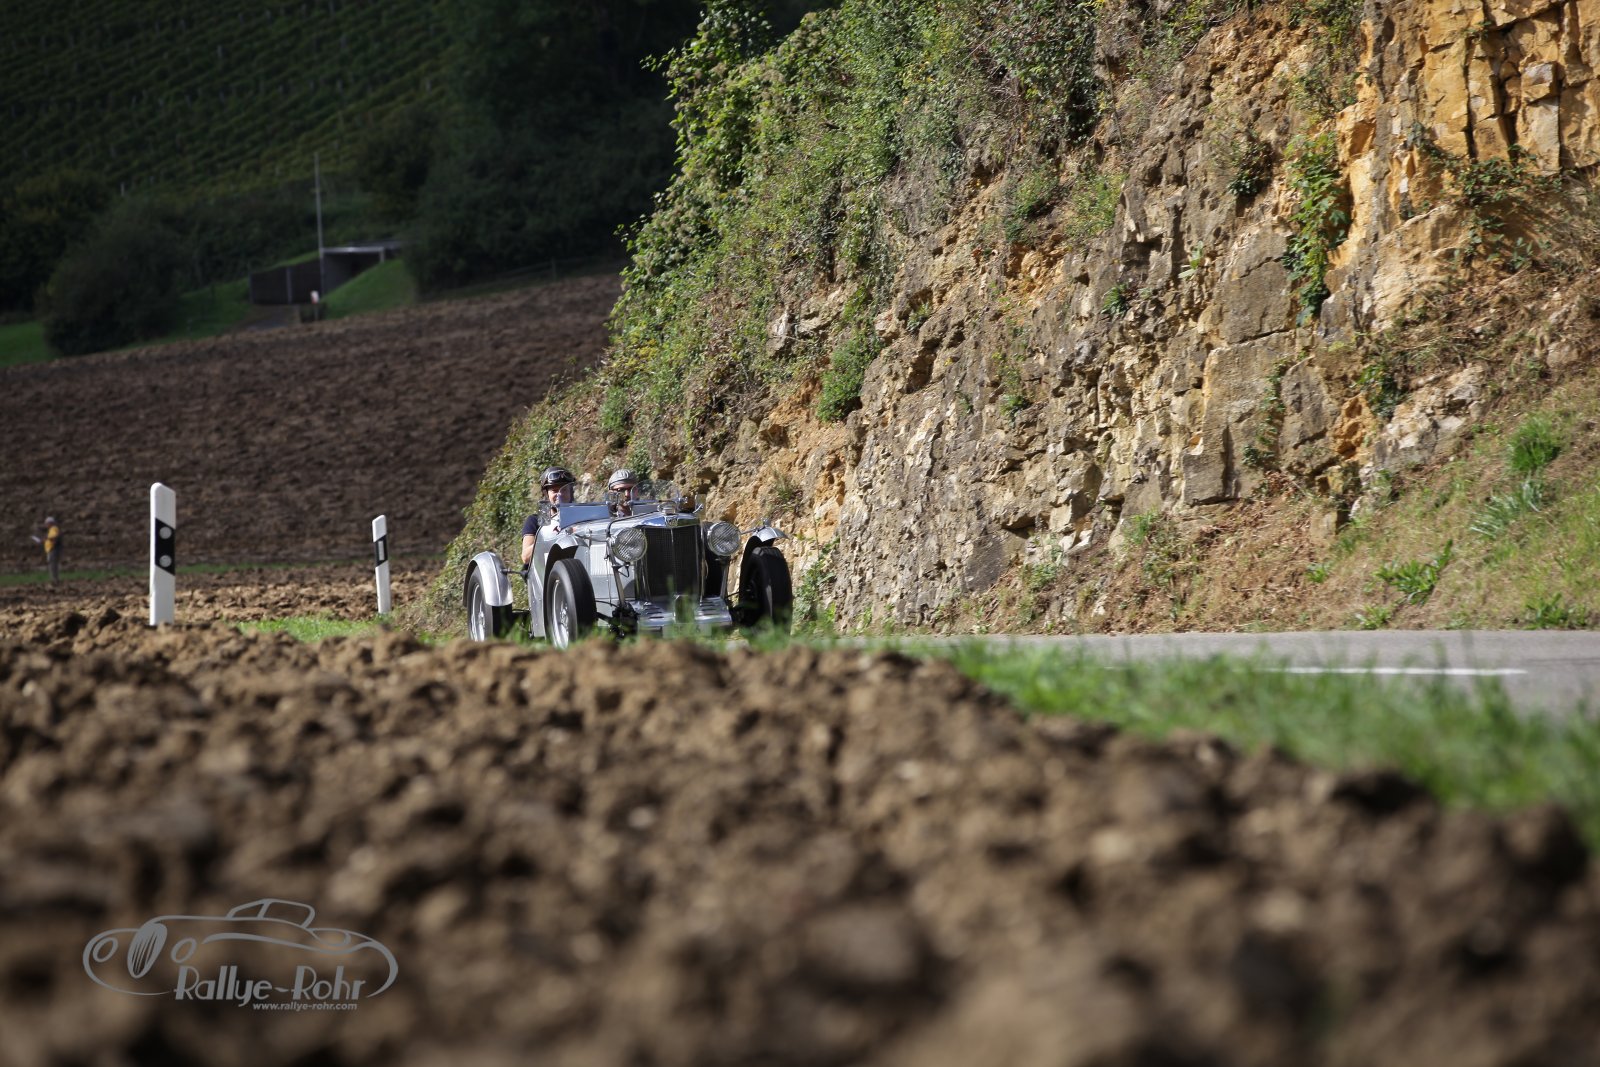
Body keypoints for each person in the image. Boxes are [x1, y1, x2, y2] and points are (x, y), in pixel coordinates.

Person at [523, 467, 575, 565]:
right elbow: (526, 557)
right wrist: (553, 538)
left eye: (564, 490)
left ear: (571, 492)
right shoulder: (535, 521)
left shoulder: (581, 517)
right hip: (548, 572)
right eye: (554, 490)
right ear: (546, 494)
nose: (560, 494)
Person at [30, 516, 61, 585]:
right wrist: (42, 540)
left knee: (53, 565)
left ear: (50, 523)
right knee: (52, 564)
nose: (46, 525)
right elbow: (50, 538)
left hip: (53, 549)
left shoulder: (53, 529)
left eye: (46, 523)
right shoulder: (51, 530)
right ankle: (55, 579)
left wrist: (47, 537)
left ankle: (55, 580)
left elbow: (54, 537)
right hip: (51, 549)